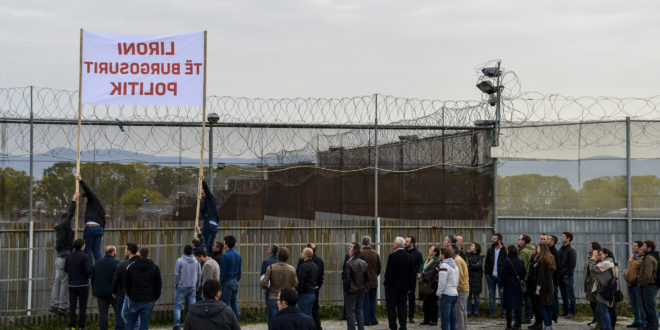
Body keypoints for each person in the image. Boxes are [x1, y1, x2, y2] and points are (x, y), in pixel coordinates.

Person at [50, 192, 77, 316]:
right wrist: (73, 200)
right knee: (64, 281)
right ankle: (61, 306)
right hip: (65, 257)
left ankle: (54, 304)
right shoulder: (65, 224)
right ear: (64, 220)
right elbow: (70, 214)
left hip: (58, 257)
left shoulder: (59, 228)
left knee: (57, 281)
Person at [124, 247, 163, 330]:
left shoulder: (131, 267)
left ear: (139, 255)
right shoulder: (154, 267)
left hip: (134, 298)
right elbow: (158, 284)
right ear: (149, 254)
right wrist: (155, 297)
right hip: (148, 299)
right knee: (144, 322)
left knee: (130, 321)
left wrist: (130, 295)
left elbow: (127, 283)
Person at [261, 247, 298, 327]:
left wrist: (269, 288)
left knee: (273, 321)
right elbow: (296, 284)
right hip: (287, 298)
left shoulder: (270, 268)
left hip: (273, 296)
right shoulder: (292, 269)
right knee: (287, 322)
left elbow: (264, 283)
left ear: (277, 256)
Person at [384, 237, 415, 330]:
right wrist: (410, 287)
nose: (392, 244)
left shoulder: (392, 256)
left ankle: (393, 326)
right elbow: (412, 274)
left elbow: (388, 273)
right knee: (402, 307)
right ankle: (403, 326)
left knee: (391, 308)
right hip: (404, 287)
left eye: (394, 242)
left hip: (392, 287)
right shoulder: (409, 256)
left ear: (397, 244)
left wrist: (387, 283)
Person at [77, 175, 106, 264]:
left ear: (88, 198)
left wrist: (80, 181)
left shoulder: (92, 200)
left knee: (87, 250)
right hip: (98, 229)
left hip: (91, 229)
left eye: (84, 199)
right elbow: (103, 218)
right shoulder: (99, 206)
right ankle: (99, 269)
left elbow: (88, 191)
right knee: (96, 251)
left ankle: (89, 269)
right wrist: (102, 232)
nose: (84, 202)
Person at [65, 238, 92, 330]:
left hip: (72, 284)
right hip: (83, 285)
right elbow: (87, 270)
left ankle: (71, 325)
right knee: (82, 306)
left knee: (72, 306)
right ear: (82, 246)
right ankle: (82, 326)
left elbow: (66, 269)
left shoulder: (68, 256)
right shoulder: (85, 257)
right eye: (84, 245)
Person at [297, 242, 325, 330]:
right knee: (313, 310)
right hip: (314, 289)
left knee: (303, 312)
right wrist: (317, 286)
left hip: (305, 291)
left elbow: (299, 278)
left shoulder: (302, 263)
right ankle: (316, 327)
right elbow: (321, 276)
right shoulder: (319, 262)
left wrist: (298, 291)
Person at [112, 242, 139, 330]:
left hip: (122, 292)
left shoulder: (122, 264)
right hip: (136, 293)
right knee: (135, 312)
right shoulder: (139, 263)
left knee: (120, 313)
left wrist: (114, 291)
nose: (124, 251)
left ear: (129, 251)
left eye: (125, 249)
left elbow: (116, 279)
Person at [174, 245, 202, 330]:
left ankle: (176, 325)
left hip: (181, 286)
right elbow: (199, 274)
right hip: (192, 286)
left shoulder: (179, 261)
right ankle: (190, 323)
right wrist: (198, 285)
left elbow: (176, 275)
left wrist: (175, 285)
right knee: (191, 306)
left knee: (178, 306)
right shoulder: (196, 261)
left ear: (184, 251)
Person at [343, 244, 371, 330]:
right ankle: (361, 328)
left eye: (350, 250)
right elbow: (368, 277)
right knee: (359, 311)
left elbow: (347, 279)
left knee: (350, 312)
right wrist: (365, 287)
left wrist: (346, 289)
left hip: (351, 291)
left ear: (352, 253)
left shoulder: (348, 263)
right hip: (361, 290)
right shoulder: (364, 263)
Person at [92, 245, 120, 330]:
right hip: (114, 293)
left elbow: (93, 278)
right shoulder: (117, 263)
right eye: (115, 251)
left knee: (103, 313)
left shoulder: (97, 263)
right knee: (118, 312)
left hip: (100, 293)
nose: (116, 253)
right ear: (112, 253)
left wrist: (94, 291)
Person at [500, 245, 526, 330]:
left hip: (508, 286)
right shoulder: (521, 261)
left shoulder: (506, 261)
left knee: (509, 307)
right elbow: (523, 274)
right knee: (518, 307)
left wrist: (501, 286)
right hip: (518, 286)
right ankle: (518, 325)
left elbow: (503, 275)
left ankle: (508, 325)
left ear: (509, 251)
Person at [624, 240, 646, 329]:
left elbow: (642, 272)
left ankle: (642, 322)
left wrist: (637, 279)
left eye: (635, 246)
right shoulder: (631, 257)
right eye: (633, 246)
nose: (633, 247)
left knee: (640, 304)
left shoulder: (642, 258)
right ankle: (636, 321)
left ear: (640, 247)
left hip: (637, 284)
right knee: (633, 304)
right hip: (630, 284)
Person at [359, 236, 380, 326]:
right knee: (372, 301)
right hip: (374, 281)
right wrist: (375, 275)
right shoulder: (375, 253)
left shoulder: (359, 253)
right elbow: (379, 268)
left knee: (365, 301)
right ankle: (373, 319)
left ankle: (366, 320)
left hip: (363, 281)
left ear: (362, 243)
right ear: (370, 243)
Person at [533, 243, 556, 330]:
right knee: (548, 306)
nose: (537, 249)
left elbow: (540, 276)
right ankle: (549, 325)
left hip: (543, 287)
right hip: (549, 286)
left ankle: (548, 325)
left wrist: (538, 289)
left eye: (538, 248)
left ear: (541, 249)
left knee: (542, 306)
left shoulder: (542, 261)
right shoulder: (549, 259)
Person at [436, 247, 459, 330]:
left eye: (440, 254)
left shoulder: (444, 266)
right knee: (453, 320)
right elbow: (457, 280)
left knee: (445, 320)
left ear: (443, 255)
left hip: (446, 294)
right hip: (454, 293)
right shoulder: (455, 265)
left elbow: (442, 282)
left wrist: (439, 293)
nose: (439, 255)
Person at [220, 235, 242, 322]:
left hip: (227, 282)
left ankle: (227, 323)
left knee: (226, 304)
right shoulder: (238, 255)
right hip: (235, 282)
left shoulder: (225, 256)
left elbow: (222, 271)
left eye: (224, 241)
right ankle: (236, 323)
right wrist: (236, 280)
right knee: (234, 304)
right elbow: (240, 271)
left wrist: (219, 283)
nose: (224, 243)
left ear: (226, 243)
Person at [639, 240, 659, 330]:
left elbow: (648, 275)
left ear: (649, 248)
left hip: (649, 286)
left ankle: (653, 326)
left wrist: (642, 283)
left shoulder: (649, 258)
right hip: (650, 285)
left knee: (650, 307)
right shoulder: (648, 256)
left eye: (644, 246)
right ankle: (650, 325)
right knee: (648, 306)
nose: (642, 247)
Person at [485, 233, 506, 316]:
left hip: (501, 276)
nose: (492, 240)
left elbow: (506, 263)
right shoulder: (490, 250)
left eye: (494, 239)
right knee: (491, 294)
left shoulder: (504, 250)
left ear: (499, 240)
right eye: (492, 238)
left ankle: (503, 311)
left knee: (503, 295)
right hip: (491, 276)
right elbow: (487, 262)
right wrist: (487, 273)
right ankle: (491, 310)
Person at [419, 245, 441, 326]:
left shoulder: (436, 261)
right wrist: (420, 273)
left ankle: (434, 320)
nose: (429, 250)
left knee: (433, 303)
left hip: (432, 284)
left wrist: (422, 275)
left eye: (431, 249)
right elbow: (421, 268)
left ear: (435, 252)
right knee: (426, 303)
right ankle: (426, 319)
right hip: (425, 284)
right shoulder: (427, 259)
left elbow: (432, 273)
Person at [556, 232, 576, 319]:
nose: (562, 238)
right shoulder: (561, 249)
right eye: (562, 236)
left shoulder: (571, 251)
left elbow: (572, 264)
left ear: (568, 239)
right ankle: (566, 311)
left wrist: (568, 274)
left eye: (563, 236)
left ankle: (571, 312)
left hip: (567, 277)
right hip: (560, 276)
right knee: (563, 295)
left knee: (570, 295)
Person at [405, 236, 424, 324]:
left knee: (411, 299)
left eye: (407, 241)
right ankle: (403, 316)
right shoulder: (403, 252)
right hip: (403, 278)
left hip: (412, 278)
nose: (405, 243)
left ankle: (411, 316)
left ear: (412, 243)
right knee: (402, 299)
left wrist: (419, 272)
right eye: (405, 241)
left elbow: (421, 264)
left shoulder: (417, 254)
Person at [199, 174, 219, 256]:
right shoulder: (208, 202)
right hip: (213, 225)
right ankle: (210, 257)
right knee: (210, 245)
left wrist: (203, 181)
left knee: (206, 244)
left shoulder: (210, 198)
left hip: (209, 224)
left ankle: (207, 257)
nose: (202, 193)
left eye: (203, 192)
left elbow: (207, 191)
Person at [451, 244, 469, 330]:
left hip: (462, 289)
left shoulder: (457, 260)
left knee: (459, 313)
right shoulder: (458, 259)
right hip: (464, 288)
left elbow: (460, 275)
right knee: (463, 312)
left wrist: (459, 288)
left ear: (453, 251)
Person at [297, 247, 320, 317]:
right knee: (309, 315)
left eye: (302, 252)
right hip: (312, 293)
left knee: (302, 315)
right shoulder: (315, 266)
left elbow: (301, 281)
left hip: (304, 294)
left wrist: (298, 292)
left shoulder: (303, 266)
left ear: (305, 255)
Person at [584, 241, 601, 328]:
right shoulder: (589, 256)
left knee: (595, 302)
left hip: (594, 282)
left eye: (591, 247)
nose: (590, 248)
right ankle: (594, 319)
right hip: (588, 281)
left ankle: (598, 320)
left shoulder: (597, 257)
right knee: (592, 303)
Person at [517, 234, 532, 324]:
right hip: (528, 277)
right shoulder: (529, 249)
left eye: (519, 239)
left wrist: (521, 278)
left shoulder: (523, 252)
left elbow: (522, 266)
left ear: (523, 241)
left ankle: (527, 316)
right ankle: (529, 315)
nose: (518, 241)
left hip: (524, 278)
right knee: (528, 297)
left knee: (526, 298)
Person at [340, 242, 357, 321]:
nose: (350, 248)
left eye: (352, 247)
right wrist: (343, 277)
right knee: (346, 298)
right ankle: (345, 314)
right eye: (350, 246)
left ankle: (353, 316)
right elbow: (344, 267)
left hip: (355, 281)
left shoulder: (358, 257)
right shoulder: (347, 256)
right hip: (347, 280)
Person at [467, 243, 483, 318]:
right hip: (469, 278)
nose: (470, 247)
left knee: (476, 297)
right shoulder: (468, 255)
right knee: (468, 297)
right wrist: (473, 264)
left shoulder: (480, 256)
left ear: (476, 248)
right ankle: (468, 312)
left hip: (477, 278)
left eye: (472, 246)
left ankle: (476, 312)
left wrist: (471, 264)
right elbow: (467, 264)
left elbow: (479, 265)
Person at [547, 235, 560, 322]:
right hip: (549, 279)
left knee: (553, 297)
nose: (546, 240)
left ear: (552, 241)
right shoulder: (548, 250)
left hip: (553, 279)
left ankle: (554, 316)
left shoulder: (554, 252)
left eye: (548, 239)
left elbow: (555, 267)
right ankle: (550, 315)